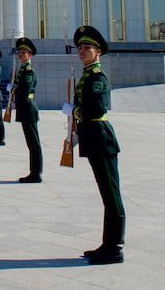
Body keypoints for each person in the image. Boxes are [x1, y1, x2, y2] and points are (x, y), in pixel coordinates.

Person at [62, 25, 124, 264]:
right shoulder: (87, 75)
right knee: (106, 194)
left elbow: (96, 108)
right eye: (80, 47)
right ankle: (107, 244)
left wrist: (75, 111)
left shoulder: (97, 77)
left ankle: (115, 247)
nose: (82, 50)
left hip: (101, 137)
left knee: (112, 195)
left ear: (98, 51)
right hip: (92, 136)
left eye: (87, 47)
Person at [13, 37, 42, 184]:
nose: (20, 54)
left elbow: (24, 92)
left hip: (28, 107)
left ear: (30, 55)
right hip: (24, 107)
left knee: (33, 143)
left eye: (24, 52)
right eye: (19, 52)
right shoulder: (23, 69)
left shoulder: (28, 71)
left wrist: (15, 90)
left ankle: (36, 173)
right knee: (30, 143)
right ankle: (34, 171)